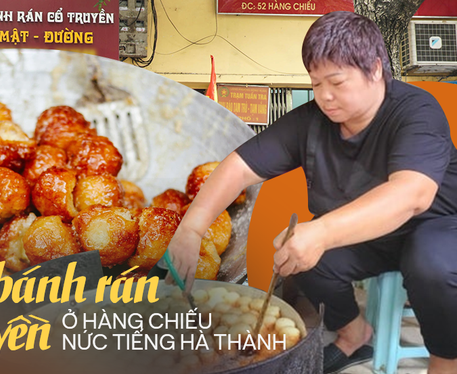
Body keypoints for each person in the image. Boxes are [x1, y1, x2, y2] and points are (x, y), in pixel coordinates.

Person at [165, 11, 457, 374]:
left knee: (432, 264)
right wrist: (191, 230)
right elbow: (239, 167)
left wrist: (320, 232)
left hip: (436, 226)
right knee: (298, 256)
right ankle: (355, 334)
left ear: (376, 69)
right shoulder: (312, 121)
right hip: (367, 237)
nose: (325, 97)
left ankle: (446, 360)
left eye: (336, 82)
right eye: (316, 83)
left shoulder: (416, 112)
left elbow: (412, 195)